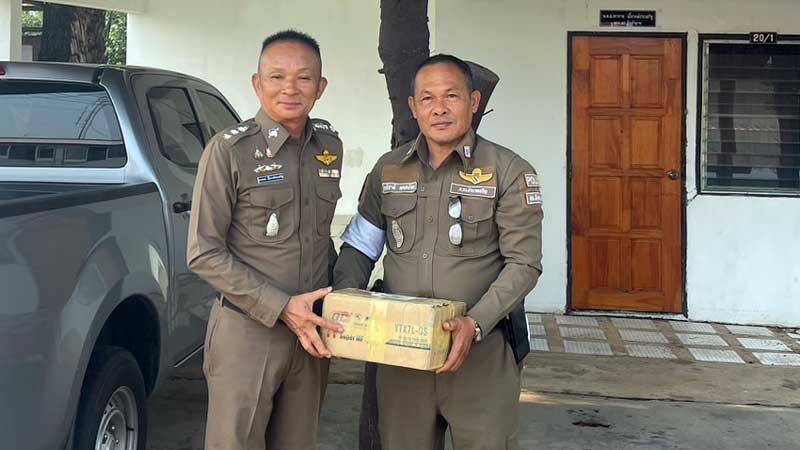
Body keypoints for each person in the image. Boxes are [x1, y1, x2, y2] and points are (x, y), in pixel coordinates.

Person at [334, 54, 543, 449]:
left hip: (480, 354)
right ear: (413, 107)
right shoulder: (388, 170)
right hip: (400, 354)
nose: (439, 108)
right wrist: (347, 298)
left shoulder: (509, 170)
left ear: (474, 101)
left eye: (452, 96)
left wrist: (475, 323)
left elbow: (524, 265)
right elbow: (360, 246)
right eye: (428, 98)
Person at [187, 29, 344, 450]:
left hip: (310, 334)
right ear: (257, 84)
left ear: (320, 87)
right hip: (248, 332)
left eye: (303, 78)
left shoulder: (329, 146)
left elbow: (319, 237)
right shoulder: (229, 151)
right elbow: (203, 252)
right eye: (277, 77)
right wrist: (281, 307)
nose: (290, 88)